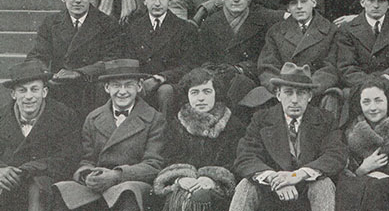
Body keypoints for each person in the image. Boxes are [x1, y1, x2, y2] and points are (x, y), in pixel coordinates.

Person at [230, 62, 346, 211]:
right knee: (246, 185)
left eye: (301, 93)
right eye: (288, 92)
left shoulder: (325, 119)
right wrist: (275, 179)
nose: (295, 100)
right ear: (278, 95)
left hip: (307, 189)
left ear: (310, 96)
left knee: (324, 184)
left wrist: (297, 175)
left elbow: (336, 155)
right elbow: (246, 156)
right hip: (271, 192)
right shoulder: (261, 119)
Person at [52, 59, 166, 211]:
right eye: (116, 85)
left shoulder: (154, 118)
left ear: (139, 86)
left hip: (132, 182)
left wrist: (117, 175)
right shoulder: (93, 118)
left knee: (128, 191)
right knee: (64, 189)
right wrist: (87, 175)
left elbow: (153, 165)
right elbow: (86, 159)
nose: (122, 91)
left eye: (129, 85)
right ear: (107, 87)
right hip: (98, 184)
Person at [27, 0, 121, 118]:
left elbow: (113, 60)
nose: (78, 0)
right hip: (59, 86)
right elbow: (38, 55)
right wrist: (47, 75)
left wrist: (80, 73)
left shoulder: (107, 23)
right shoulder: (51, 23)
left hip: (91, 86)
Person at [153, 68, 246, 211]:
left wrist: (212, 179)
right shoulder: (176, 124)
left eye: (207, 91)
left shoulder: (233, 125)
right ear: (187, 95)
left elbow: (236, 163)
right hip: (183, 188)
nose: (201, 98)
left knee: (201, 196)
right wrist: (180, 179)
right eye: (194, 92)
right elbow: (168, 159)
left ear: (216, 93)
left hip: (219, 191)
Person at [0, 61, 80, 211]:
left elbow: (69, 157)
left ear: (44, 92)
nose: (28, 96)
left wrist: (29, 169)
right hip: (8, 184)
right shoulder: (2, 117)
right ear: (13, 94)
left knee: (38, 187)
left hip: (45, 184)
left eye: (34, 89)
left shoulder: (65, 116)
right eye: (22, 90)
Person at [251, 0, 340, 116]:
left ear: (314, 2)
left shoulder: (331, 30)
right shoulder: (275, 32)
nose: (299, 7)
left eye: (304, 1)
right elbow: (267, 66)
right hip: (283, 89)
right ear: (288, 8)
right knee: (259, 98)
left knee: (331, 100)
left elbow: (330, 68)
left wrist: (308, 88)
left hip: (315, 90)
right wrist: (281, 88)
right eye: (293, 3)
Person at [336, 75, 389, 211]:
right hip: (360, 190)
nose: (372, 108)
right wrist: (362, 170)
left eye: (378, 101)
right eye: (366, 102)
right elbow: (343, 174)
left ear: (388, 101)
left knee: (376, 186)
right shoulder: (350, 133)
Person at [196, 0, 276, 108]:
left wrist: (240, 69)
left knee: (241, 85)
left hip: (249, 79)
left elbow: (265, 60)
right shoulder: (210, 23)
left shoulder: (262, 23)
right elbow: (202, 57)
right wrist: (214, 71)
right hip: (217, 78)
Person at [123, 0, 198, 115]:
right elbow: (129, 60)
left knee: (165, 91)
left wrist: (160, 78)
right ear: (144, 1)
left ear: (170, 0)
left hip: (170, 83)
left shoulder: (184, 29)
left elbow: (189, 65)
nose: (157, 3)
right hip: (141, 82)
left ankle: (164, 128)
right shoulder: (133, 28)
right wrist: (138, 81)